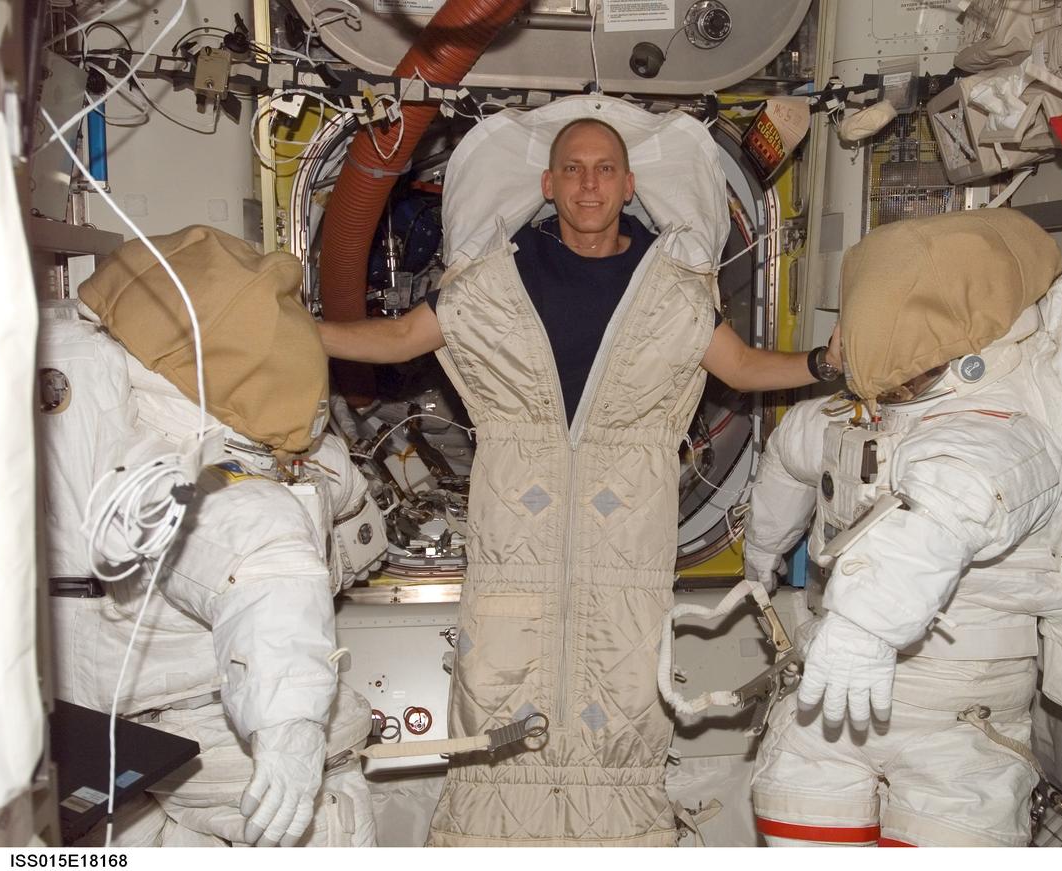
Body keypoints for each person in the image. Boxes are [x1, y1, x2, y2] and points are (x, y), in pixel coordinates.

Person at [318, 102, 843, 846]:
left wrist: (824, 363)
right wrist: (298, 335)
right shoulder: (495, 279)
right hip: (513, 541)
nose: (588, 184)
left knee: (625, 701)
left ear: (629, 185)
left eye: (603, 170)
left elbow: (740, 366)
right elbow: (402, 335)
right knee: (495, 705)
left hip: (628, 541)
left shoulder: (670, 287)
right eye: (573, 169)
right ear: (548, 181)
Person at [744, 209, 1062, 847]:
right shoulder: (867, 411)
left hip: (956, 710)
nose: (891, 392)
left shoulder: (1003, 430)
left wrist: (863, 628)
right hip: (830, 698)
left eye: (904, 377)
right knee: (797, 819)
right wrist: (762, 550)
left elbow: (946, 511)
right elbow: (791, 451)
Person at [42, 225, 386, 847]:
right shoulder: (192, 467)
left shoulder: (79, 389)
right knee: (315, 808)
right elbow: (263, 563)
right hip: (201, 722)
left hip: (92, 730)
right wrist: (289, 725)